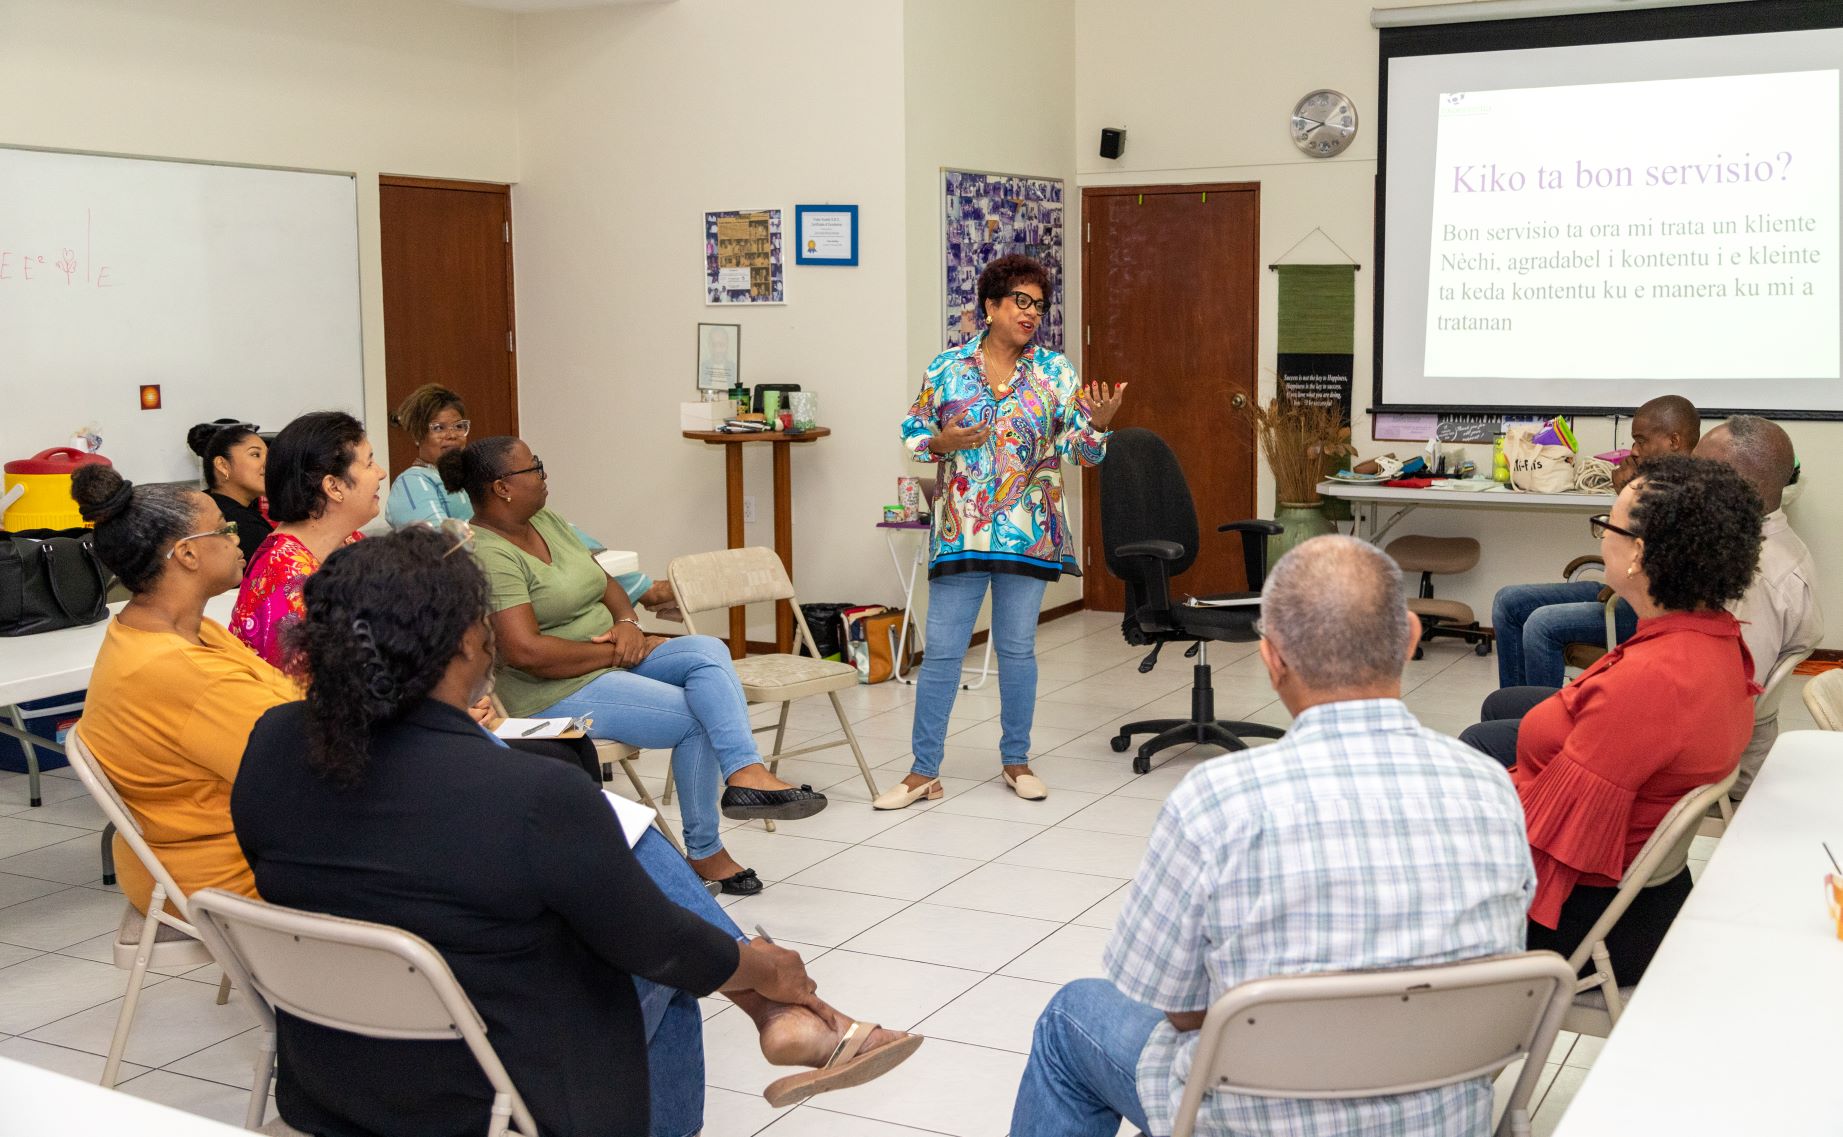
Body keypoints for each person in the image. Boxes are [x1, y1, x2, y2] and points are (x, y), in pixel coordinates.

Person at [232, 529, 920, 1137]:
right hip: (495, 1086)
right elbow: (662, 946)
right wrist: (764, 966)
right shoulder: (531, 796)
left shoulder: (271, 743)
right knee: (663, 958)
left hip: (334, 1071)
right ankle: (780, 1010)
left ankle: (778, 1013)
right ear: (472, 642)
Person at [1011, 536, 1533, 1137]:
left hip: (1253, 1118)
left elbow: (1179, 1011)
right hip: (1437, 1118)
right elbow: (1493, 969)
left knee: (1071, 1016)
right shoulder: (1490, 786)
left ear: (1271, 658)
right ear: (1412, 636)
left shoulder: (1217, 800)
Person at [439, 436, 822, 894]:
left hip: (610, 655)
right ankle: (706, 853)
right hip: (551, 690)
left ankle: (744, 774)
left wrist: (626, 622)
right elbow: (527, 653)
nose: (544, 475)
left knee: (706, 651)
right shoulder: (487, 551)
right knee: (694, 718)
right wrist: (618, 649)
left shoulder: (547, 521)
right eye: (534, 468)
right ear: (502, 487)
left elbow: (607, 583)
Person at [1460, 456, 1761, 980]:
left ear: (1637, 553)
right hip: (1630, 890)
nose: (1602, 536)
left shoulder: (1653, 683)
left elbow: (1553, 852)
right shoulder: (1711, 635)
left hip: (1584, 919)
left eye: (1607, 524)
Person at [883, 254, 1125, 809]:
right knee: (943, 651)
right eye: (1021, 301)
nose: (1032, 313)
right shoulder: (946, 368)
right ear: (990, 305)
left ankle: (1016, 760)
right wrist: (942, 443)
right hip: (960, 530)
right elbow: (915, 435)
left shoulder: (1055, 372)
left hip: (1028, 530)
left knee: (1016, 649)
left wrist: (1099, 425)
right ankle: (923, 772)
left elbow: (1076, 453)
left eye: (1039, 304)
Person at [68, 464, 297, 914]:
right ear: (187, 555)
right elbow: (303, 766)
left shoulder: (182, 630)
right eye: (223, 529)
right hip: (223, 875)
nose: (237, 537)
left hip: (213, 850)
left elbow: (287, 701)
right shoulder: (179, 671)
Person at [385, 383, 679, 621]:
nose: (452, 435)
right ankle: (647, 593)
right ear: (417, 433)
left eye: (459, 426)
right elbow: (441, 545)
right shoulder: (413, 483)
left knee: (555, 534)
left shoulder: (470, 478)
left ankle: (641, 594)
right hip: (484, 572)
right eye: (438, 428)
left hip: (510, 554)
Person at [1489, 394, 1701, 689]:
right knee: (1508, 601)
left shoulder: (1697, 491)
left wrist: (1627, 492)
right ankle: (1514, 713)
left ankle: (1545, 728)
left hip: (1651, 609)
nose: (1635, 451)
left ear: (1674, 441)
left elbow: (1655, 567)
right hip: (1620, 591)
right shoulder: (1654, 480)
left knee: (1541, 625)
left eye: (1641, 441)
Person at [1691, 416, 1821, 799]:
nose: (1685, 481)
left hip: (1721, 768)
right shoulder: (1775, 543)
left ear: (1740, 488)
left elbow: (1725, 700)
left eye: (1698, 472)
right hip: (1729, 744)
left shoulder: (1754, 579)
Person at [231, 411, 383, 669]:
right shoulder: (286, 577)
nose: (381, 473)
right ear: (333, 487)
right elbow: (310, 691)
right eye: (369, 463)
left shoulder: (350, 541)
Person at [185, 419, 273, 565]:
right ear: (223, 466)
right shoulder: (244, 526)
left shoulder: (206, 503)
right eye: (255, 455)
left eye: (268, 456)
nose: (268, 464)